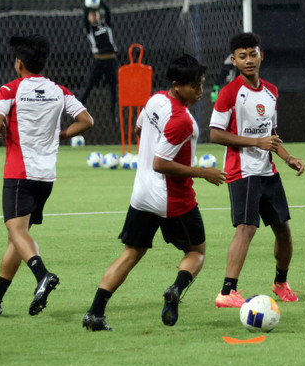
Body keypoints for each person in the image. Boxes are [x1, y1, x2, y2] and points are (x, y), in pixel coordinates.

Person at [82, 54, 226, 331]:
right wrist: (201, 172)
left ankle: (94, 314)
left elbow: (139, 129)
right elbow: (160, 163)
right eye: (194, 86)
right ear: (176, 85)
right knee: (196, 251)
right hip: (172, 199)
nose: (199, 91)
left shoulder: (155, 100)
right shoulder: (181, 119)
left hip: (142, 194)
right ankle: (176, 288)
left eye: (201, 84)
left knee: (130, 253)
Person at [0, 35, 94, 317]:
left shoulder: (10, 89)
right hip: (46, 177)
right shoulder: (59, 91)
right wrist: (64, 133)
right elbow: (87, 120)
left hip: (19, 174)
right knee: (17, 238)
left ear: (19, 63)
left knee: (17, 232)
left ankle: (42, 275)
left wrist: (0, 129)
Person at [209, 32, 305, 309]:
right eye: (242, 56)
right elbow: (215, 134)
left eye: (253, 54)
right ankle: (227, 291)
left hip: (268, 172)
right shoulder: (229, 94)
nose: (248, 60)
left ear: (261, 55)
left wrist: (287, 158)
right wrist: (255, 142)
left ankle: (281, 282)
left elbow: (271, 134)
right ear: (234, 60)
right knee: (246, 228)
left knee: (284, 231)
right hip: (243, 172)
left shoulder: (271, 91)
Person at [79, 0, 118, 114]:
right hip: (99, 60)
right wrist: (88, 3)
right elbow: (85, 17)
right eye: (92, 14)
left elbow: (107, 11)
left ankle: (113, 112)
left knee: (113, 87)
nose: (94, 15)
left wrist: (99, 0)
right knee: (88, 86)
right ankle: (78, 110)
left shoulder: (106, 25)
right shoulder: (89, 29)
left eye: (96, 13)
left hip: (111, 60)